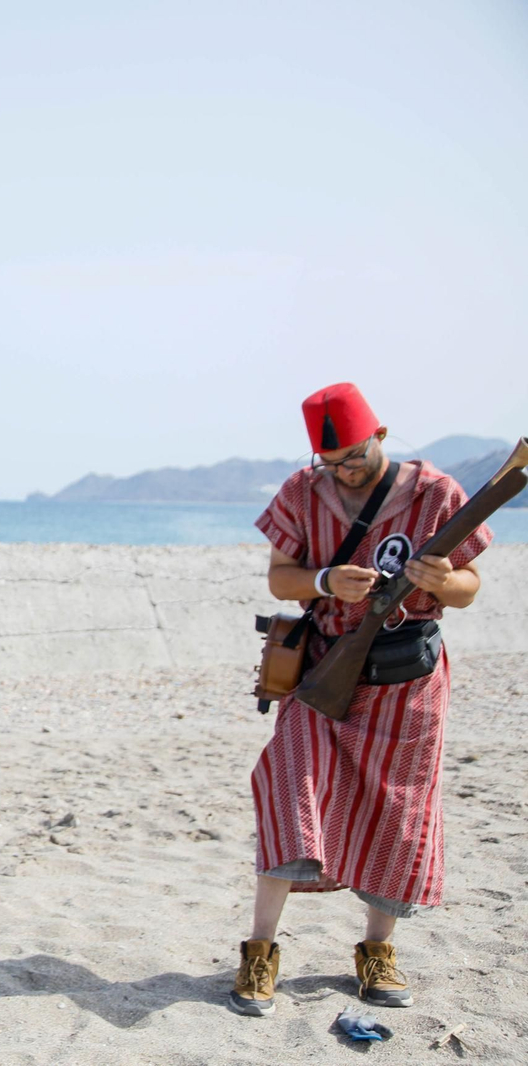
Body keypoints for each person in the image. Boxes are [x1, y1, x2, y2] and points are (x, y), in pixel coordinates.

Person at [229, 382, 492, 1017]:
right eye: (330, 463)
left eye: (352, 456)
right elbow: (279, 575)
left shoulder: (437, 495)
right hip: (324, 672)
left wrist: (442, 579)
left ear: (379, 436)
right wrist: (325, 580)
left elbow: (471, 586)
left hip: (408, 680)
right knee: (289, 787)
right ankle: (260, 952)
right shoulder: (301, 492)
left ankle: (377, 952)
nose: (343, 471)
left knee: (397, 815)